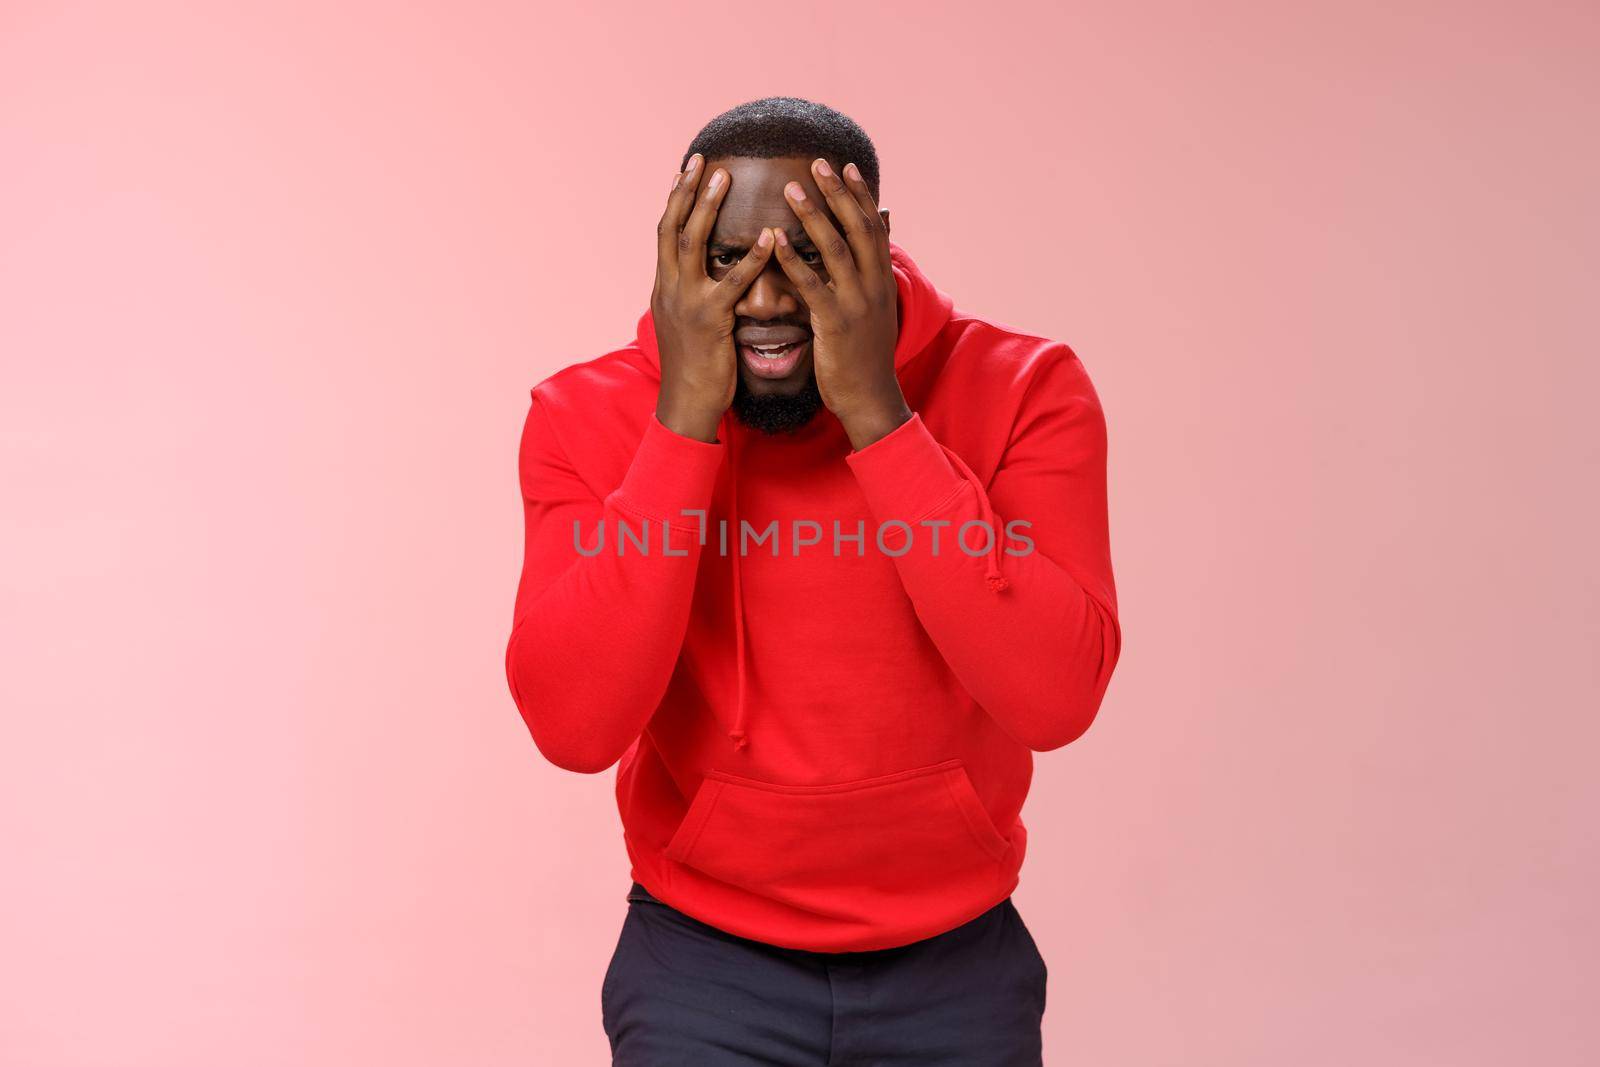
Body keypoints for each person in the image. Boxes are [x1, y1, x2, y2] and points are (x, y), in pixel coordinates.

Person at [504, 96, 1122, 1065]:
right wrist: (680, 425)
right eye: (727, 258)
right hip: (700, 966)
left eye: (809, 253)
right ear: (674, 260)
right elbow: (572, 725)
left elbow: (1055, 696)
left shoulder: (1024, 391)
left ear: (875, 244)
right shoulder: (587, 416)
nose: (765, 297)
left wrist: (879, 411)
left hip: (955, 965)